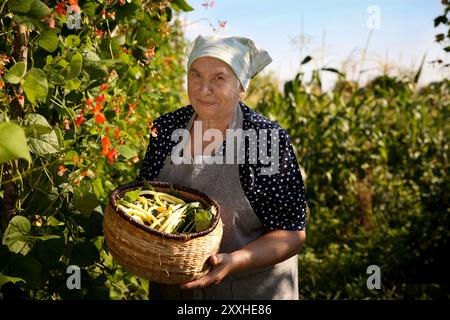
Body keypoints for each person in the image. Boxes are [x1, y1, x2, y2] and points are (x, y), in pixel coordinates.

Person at [138, 34, 308, 300]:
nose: (203, 88)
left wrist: (235, 260)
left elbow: (291, 233)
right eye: (195, 75)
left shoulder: (264, 138)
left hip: (248, 291)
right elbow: (143, 198)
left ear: (242, 87)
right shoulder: (167, 127)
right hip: (173, 288)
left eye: (219, 77)